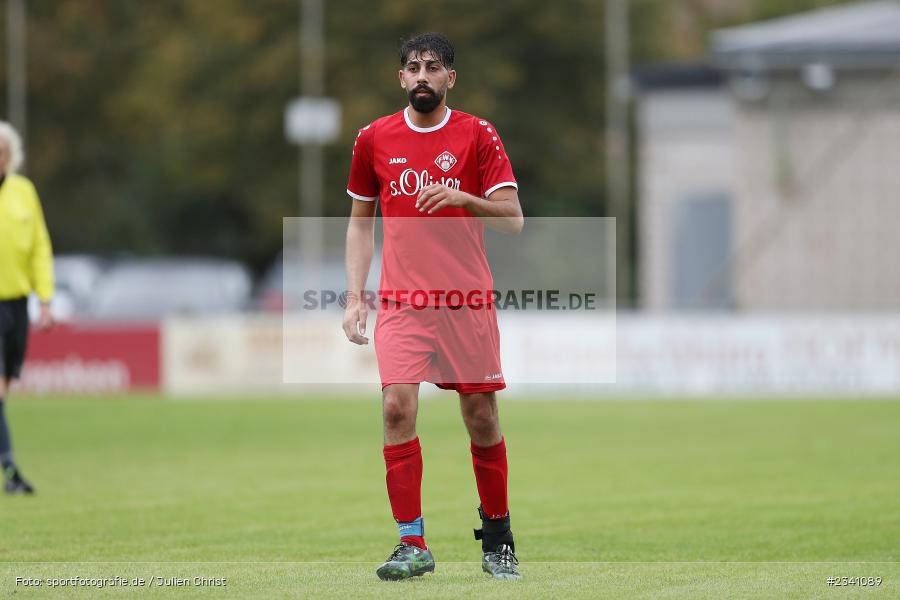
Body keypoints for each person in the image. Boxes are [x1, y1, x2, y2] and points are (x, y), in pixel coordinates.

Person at [343, 33, 524, 581]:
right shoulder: (373, 138)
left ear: (450, 78)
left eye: (435, 67)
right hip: (402, 302)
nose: (423, 75)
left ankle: (497, 539)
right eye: (414, 67)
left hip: (466, 301)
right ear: (401, 78)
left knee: (481, 418)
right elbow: (359, 225)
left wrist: (464, 198)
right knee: (396, 408)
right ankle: (411, 544)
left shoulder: (477, 134)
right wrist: (355, 296)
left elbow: (513, 217)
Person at [0, 121, 54, 495]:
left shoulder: (23, 192)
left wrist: (45, 299)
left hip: (16, 305)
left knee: (3, 389)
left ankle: (8, 470)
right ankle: (9, 468)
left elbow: (40, 247)